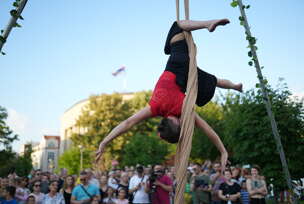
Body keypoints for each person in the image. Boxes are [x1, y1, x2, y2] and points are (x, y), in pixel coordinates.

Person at [96, 19, 241, 170]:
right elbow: (127, 123)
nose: (181, 121)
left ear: (175, 122)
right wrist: (104, 141)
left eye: (180, 124)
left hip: (185, 74)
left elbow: (208, 130)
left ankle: (236, 86)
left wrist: (223, 151)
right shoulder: (155, 107)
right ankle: (207, 24)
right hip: (178, 64)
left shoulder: (183, 108)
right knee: (178, 25)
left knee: (214, 81)